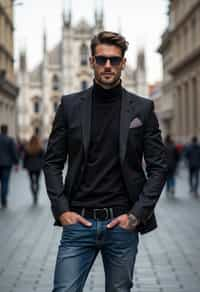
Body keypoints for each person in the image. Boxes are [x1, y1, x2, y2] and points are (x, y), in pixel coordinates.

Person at [44, 31, 168, 292]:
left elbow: (158, 167)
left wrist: (136, 215)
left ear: (124, 62)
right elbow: (52, 161)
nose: (107, 65)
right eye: (101, 59)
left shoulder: (142, 109)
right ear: (91, 61)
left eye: (114, 60)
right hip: (78, 223)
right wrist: (61, 210)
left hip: (122, 225)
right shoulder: (69, 106)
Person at [0, 124, 18, 208]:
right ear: (6, 130)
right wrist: (16, 163)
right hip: (7, 164)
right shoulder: (10, 140)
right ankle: (3, 199)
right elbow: (14, 152)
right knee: (5, 182)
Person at [23, 134, 44, 205]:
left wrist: (24, 166)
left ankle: (34, 194)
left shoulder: (28, 148)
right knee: (37, 182)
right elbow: (43, 158)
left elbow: (25, 159)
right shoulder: (40, 148)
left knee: (31, 182)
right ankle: (36, 194)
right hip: (38, 167)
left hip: (30, 167)